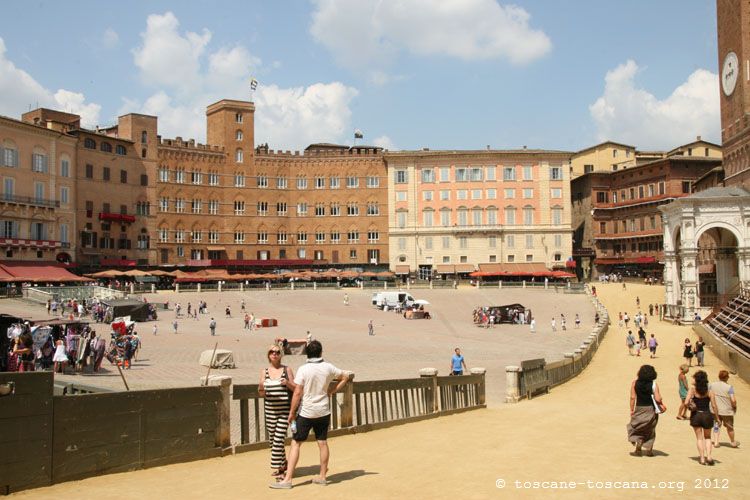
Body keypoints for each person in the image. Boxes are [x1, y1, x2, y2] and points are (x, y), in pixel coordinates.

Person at [271, 340, 349, 489]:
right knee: (322, 442)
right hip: (323, 411)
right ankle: (322, 476)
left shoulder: (303, 369)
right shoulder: (328, 367)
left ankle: (287, 479)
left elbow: (298, 392)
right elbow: (344, 377)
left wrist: (292, 412)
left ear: (307, 353)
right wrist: (332, 391)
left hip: (307, 412)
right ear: (320, 352)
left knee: (296, 443)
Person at [258, 345, 297, 478]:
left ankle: (281, 470)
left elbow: (296, 388)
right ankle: (283, 466)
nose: (274, 354)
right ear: (268, 355)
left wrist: (287, 383)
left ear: (281, 355)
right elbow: (261, 393)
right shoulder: (264, 371)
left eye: (277, 352)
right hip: (270, 411)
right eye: (272, 352)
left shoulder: (287, 370)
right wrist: (261, 386)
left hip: (284, 411)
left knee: (278, 439)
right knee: (273, 440)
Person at [627, 364, 665, 457]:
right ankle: (649, 450)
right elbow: (658, 399)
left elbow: (632, 398)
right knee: (650, 429)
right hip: (650, 409)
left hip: (639, 408)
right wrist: (662, 402)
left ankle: (638, 448)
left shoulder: (634, 383)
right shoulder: (654, 384)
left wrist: (632, 409)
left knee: (637, 427)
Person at [685, 370, 720, 465]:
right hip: (707, 415)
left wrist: (691, 404)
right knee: (708, 437)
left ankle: (702, 458)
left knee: (699, 438)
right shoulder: (709, 391)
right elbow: (714, 406)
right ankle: (709, 456)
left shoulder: (692, 390)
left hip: (696, 415)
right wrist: (717, 418)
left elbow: (686, 402)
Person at [711, 370, 738, 448]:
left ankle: (716, 442)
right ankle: (733, 442)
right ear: (726, 377)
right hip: (726, 411)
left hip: (715, 409)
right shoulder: (729, 387)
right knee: (730, 427)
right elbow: (733, 400)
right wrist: (734, 407)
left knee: (716, 425)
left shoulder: (712, 385)